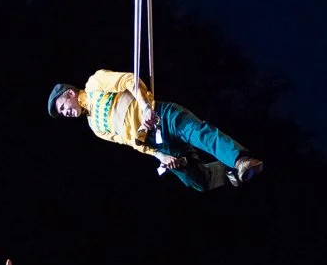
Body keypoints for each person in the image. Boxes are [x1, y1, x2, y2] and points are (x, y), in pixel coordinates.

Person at [47, 70, 263, 191]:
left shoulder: (94, 84)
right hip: (154, 141)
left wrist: (144, 106)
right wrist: (160, 155)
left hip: (161, 116)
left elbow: (129, 80)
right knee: (199, 182)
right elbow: (131, 142)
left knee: (198, 133)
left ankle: (239, 160)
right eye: (62, 112)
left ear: (70, 94)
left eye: (63, 107)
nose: (66, 112)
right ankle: (228, 170)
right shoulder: (95, 127)